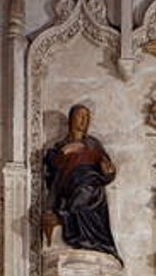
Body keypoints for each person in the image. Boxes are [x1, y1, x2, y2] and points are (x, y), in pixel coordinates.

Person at [43, 104, 123, 265]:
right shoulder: (59, 146)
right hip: (69, 186)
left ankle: (73, 221)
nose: (84, 120)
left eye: (87, 117)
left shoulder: (94, 144)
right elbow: (51, 166)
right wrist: (67, 151)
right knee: (83, 189)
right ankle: (68, 216)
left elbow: (107, 172)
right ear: (71, 119)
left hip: (92, 186)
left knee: (88, 189)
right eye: (80, 116)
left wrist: (108, 171)